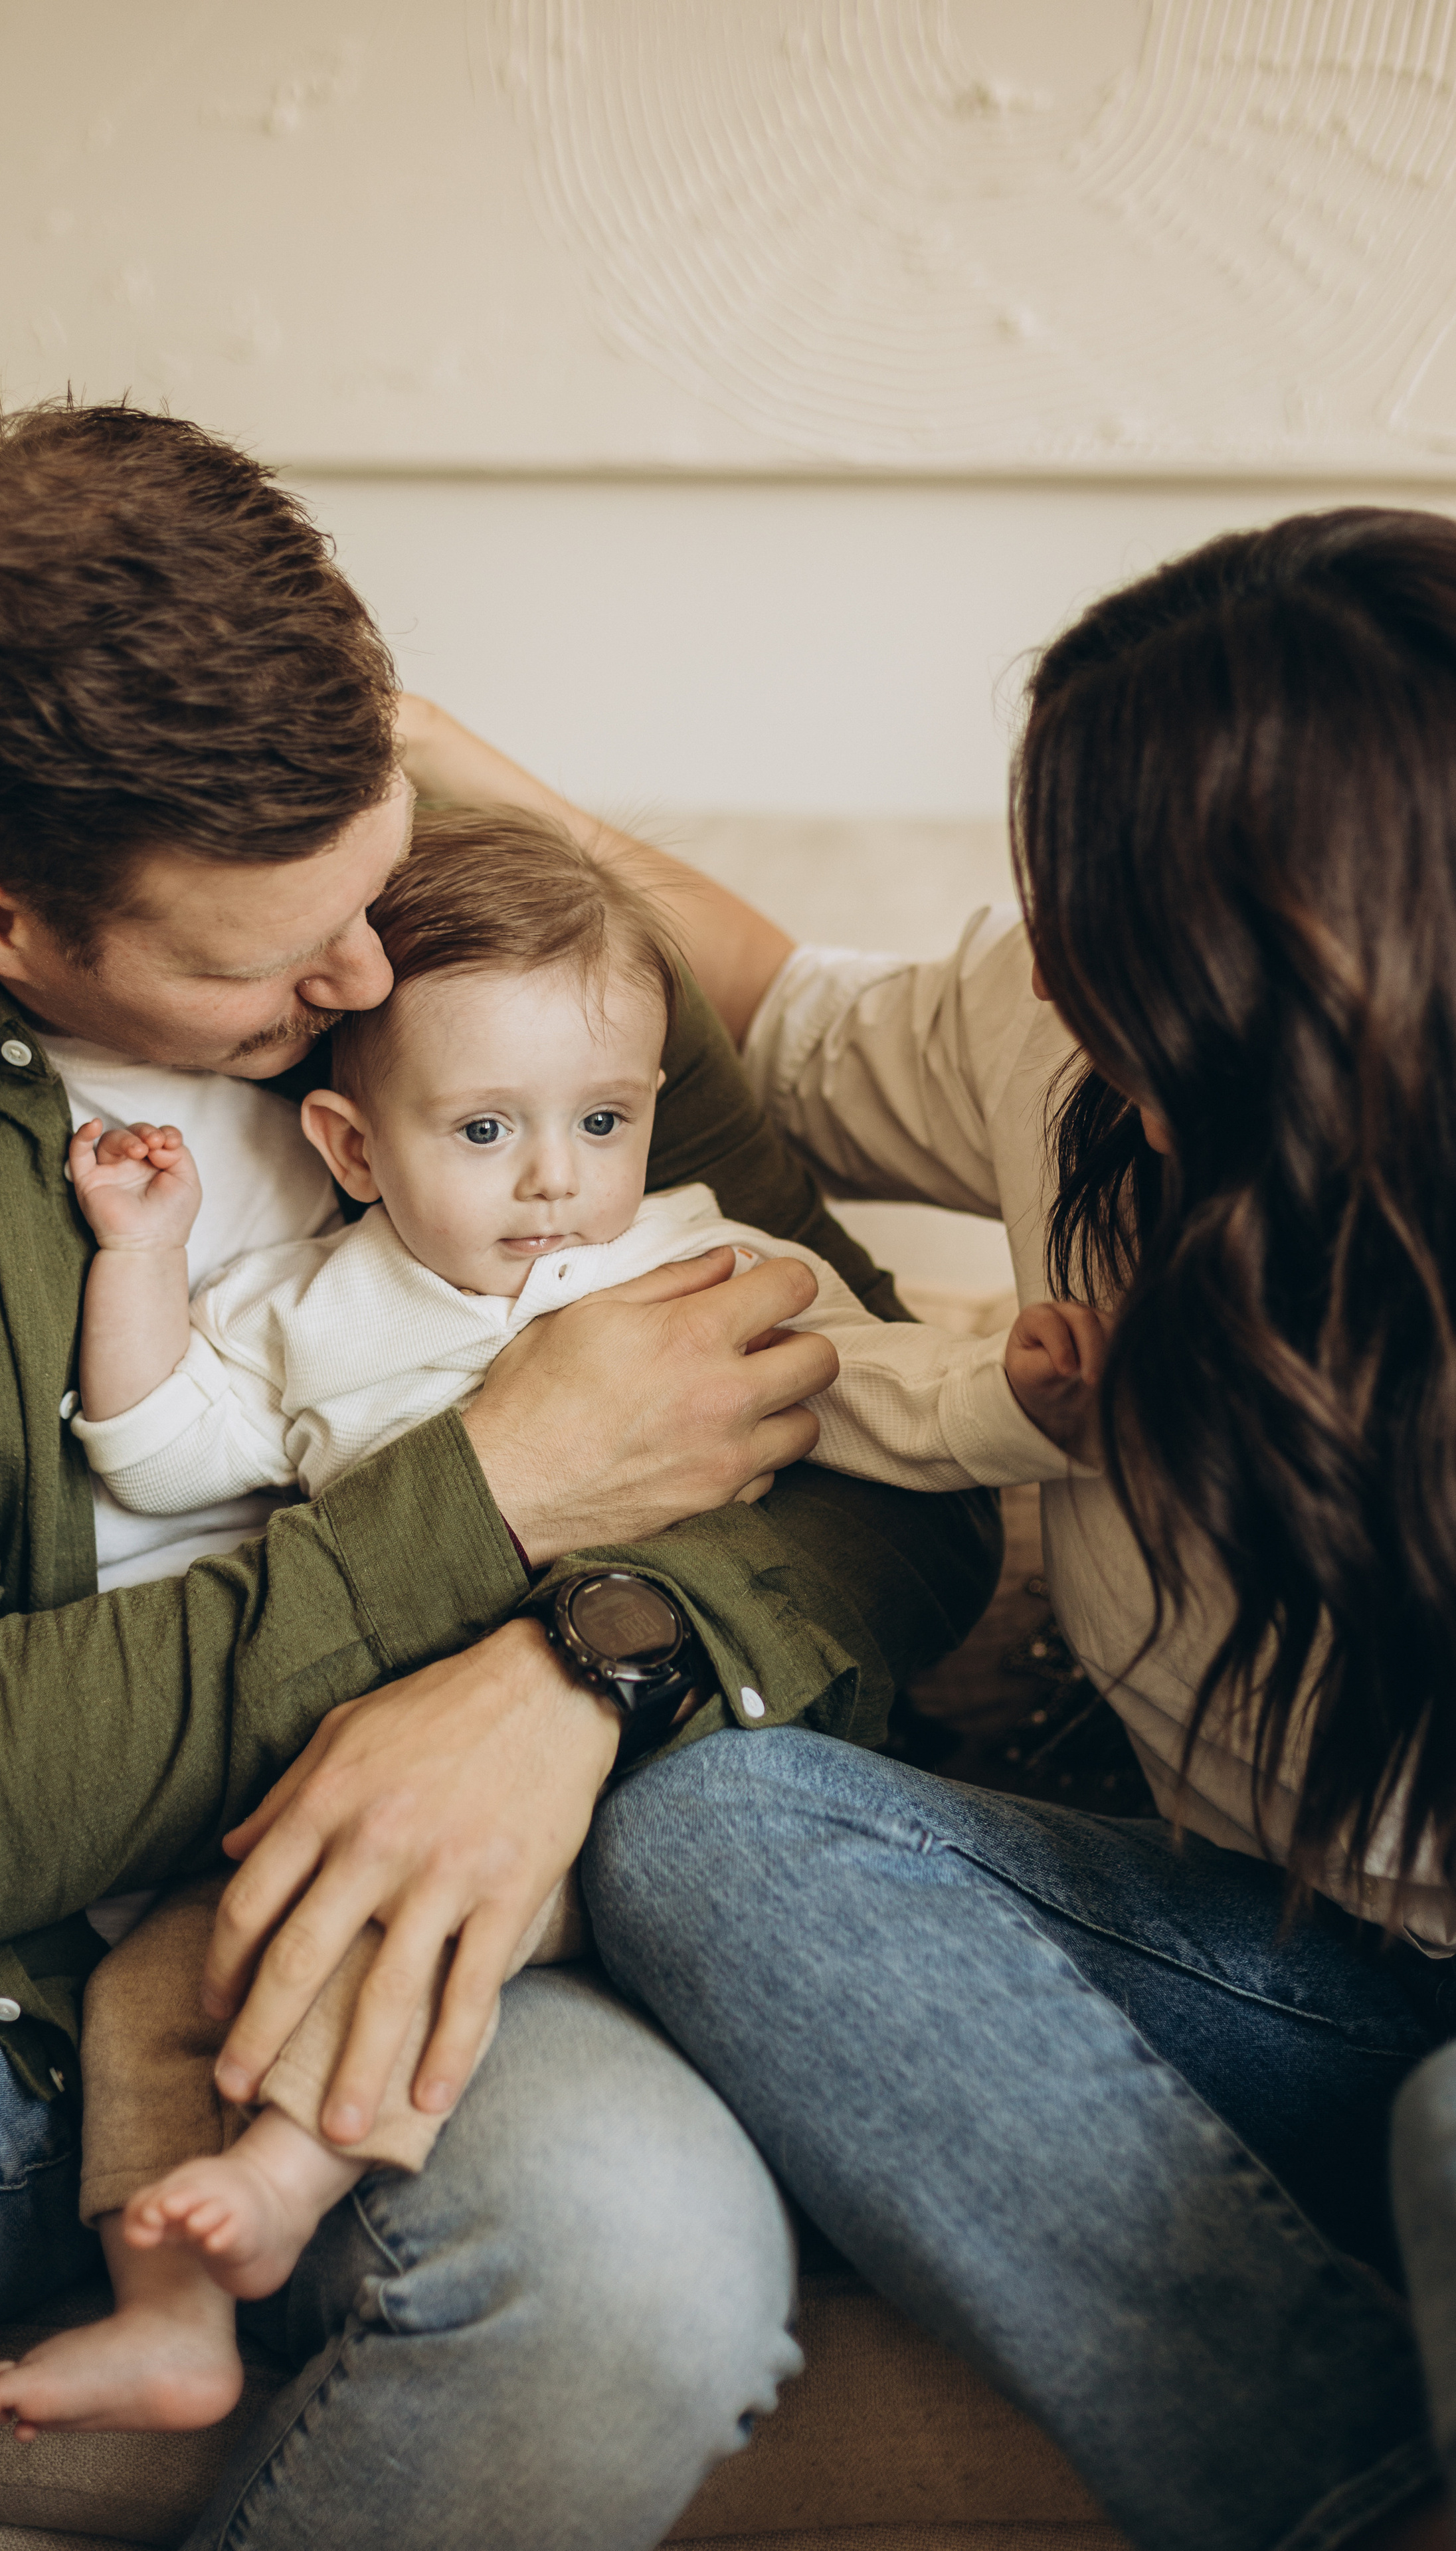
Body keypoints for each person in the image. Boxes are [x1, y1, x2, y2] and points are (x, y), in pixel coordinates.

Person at [0, 386, 1002, 2551]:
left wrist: (573, 1676)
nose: (367, 971)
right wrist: (496, 1494)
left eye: (377, 877)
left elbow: (874, 1443)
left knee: (638, 2280)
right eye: (270, 961)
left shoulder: (449, 865)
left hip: (406, 1876)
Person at [0, 806, 1102, 2439]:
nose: (556, 1176)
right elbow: (167, 1444)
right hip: (341, 1759)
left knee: (414, 1915)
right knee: (157, 1981)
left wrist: (1013, 1394)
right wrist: (137, 1262)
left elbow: (883, 1403)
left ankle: (291, 2171)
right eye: (484, 1129)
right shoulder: (315, 1306)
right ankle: (170, 2306)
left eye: (601, 1118)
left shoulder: (700, 1260)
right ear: (355, 1151)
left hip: (633, 1777)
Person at [579, 508, 1456, 2551]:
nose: (1049, 952)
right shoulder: (1062, 1047)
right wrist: (404, 748)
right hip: (1286, 1967)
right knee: (715, 1835)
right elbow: (763, 1005)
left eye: (1110, 918)